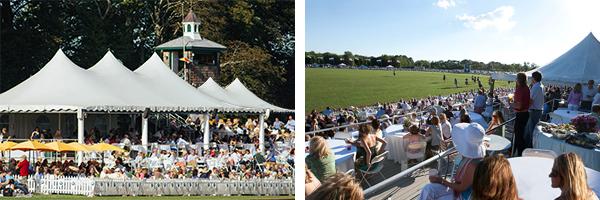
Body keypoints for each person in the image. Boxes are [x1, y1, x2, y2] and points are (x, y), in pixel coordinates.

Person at [419, 114, 485, 200]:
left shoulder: (473, 164)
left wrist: (441, 181)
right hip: (455, 187)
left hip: (461, 196)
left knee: (430, 191)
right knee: (428, 189)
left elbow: (461, 188)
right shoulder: (472, 154)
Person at [525, 71, 544, 150]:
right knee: (532, 130)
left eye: (532, 77)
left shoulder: (536, 87)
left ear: (534, 78)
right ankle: (530, 146)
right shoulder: (541, 86)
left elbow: (531, 100)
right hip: (538, 110)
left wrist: (525, 108)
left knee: (531, 131)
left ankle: (529, 147)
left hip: (534, 110)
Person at [512, 73, 530, 156]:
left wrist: (511, 104)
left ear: (518, 79)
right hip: (526, 114)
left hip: (521, 114)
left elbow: (519, 106)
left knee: (518, 136)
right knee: (521, 136)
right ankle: (518, 152)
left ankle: (518, 154)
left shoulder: (520, 89)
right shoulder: (527, 88)